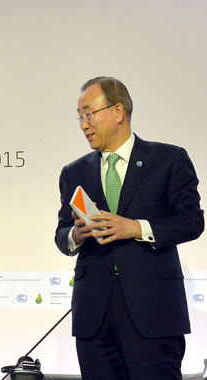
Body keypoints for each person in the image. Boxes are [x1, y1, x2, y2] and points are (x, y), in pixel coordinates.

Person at [55, 77, 203, 379]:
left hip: (154, 314)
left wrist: (135, 228)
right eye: (79, 117)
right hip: (94, 319)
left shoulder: (168, 159)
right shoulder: (74, 172)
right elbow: (62, 235)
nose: (83, 125)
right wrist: (77, 233)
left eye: (89, 114)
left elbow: (192, 221)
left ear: (118, 111)